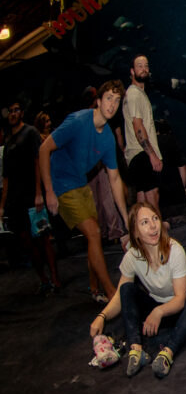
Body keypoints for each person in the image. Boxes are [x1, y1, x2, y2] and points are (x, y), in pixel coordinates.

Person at [89, 201, 186, 378]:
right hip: (156, 310)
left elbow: (180, 299)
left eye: (155, 219)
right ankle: (136, 350)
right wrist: (102, 317)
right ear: (135, 232)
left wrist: (159, 311)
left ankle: (167, 353)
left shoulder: (175, 250)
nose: (153, 226)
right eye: (145, 222)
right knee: (128, 288)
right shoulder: (132, 256)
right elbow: (121, 295)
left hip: (181, 311)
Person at [38, 80, 130, 302]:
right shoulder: (78, 121)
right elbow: (43, 149)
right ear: (98, 101)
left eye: (117, 101)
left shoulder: (107, 136)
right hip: (61, 185)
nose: (112, 104)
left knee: (94, 236)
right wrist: (48, 191)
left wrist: (126, 220)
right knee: (94, 233)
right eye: (109, 98)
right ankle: (111, 293)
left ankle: (94, 289)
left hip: (81, 184)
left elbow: (115, 179)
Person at [1, 100, 61, 294]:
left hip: (32, 196)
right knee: (27, 242)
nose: (12, 114)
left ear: (22, 113)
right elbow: (6, 177)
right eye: (9, 111)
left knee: (42, 237)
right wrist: (2, 206)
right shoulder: (8, 140)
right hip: (15, 200)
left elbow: (38, 162)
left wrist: (38, 193)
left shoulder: (30, 133)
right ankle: (43, 280)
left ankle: (54, 278)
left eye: (16, 110)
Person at [122, 54, 164, 208]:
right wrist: (152, 155)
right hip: (141, 154)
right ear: (132, 71)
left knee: (142, 200)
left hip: (137, 155)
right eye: (139, 66)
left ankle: (140, 231)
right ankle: (158, 232)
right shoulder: (133, 94)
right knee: (152, 197)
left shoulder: (138, 94)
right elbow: (137, 126)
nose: (144, 69)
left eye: (146, 65)